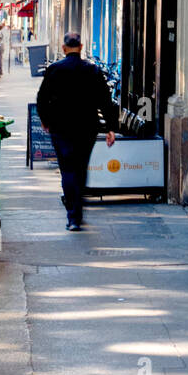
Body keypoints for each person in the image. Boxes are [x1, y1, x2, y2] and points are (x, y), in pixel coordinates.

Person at [36, 32, 118, 231]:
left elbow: (41, 98)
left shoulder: (54, 70)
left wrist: (46, 121)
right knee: (81, 167)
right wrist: (111, 128)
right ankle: (76, 210)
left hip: (60, 127)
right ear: (81, 47)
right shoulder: (92, 70)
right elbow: (106, 101)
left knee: (67, 169)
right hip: (86, 128)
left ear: (64, 48)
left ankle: (73, 215)